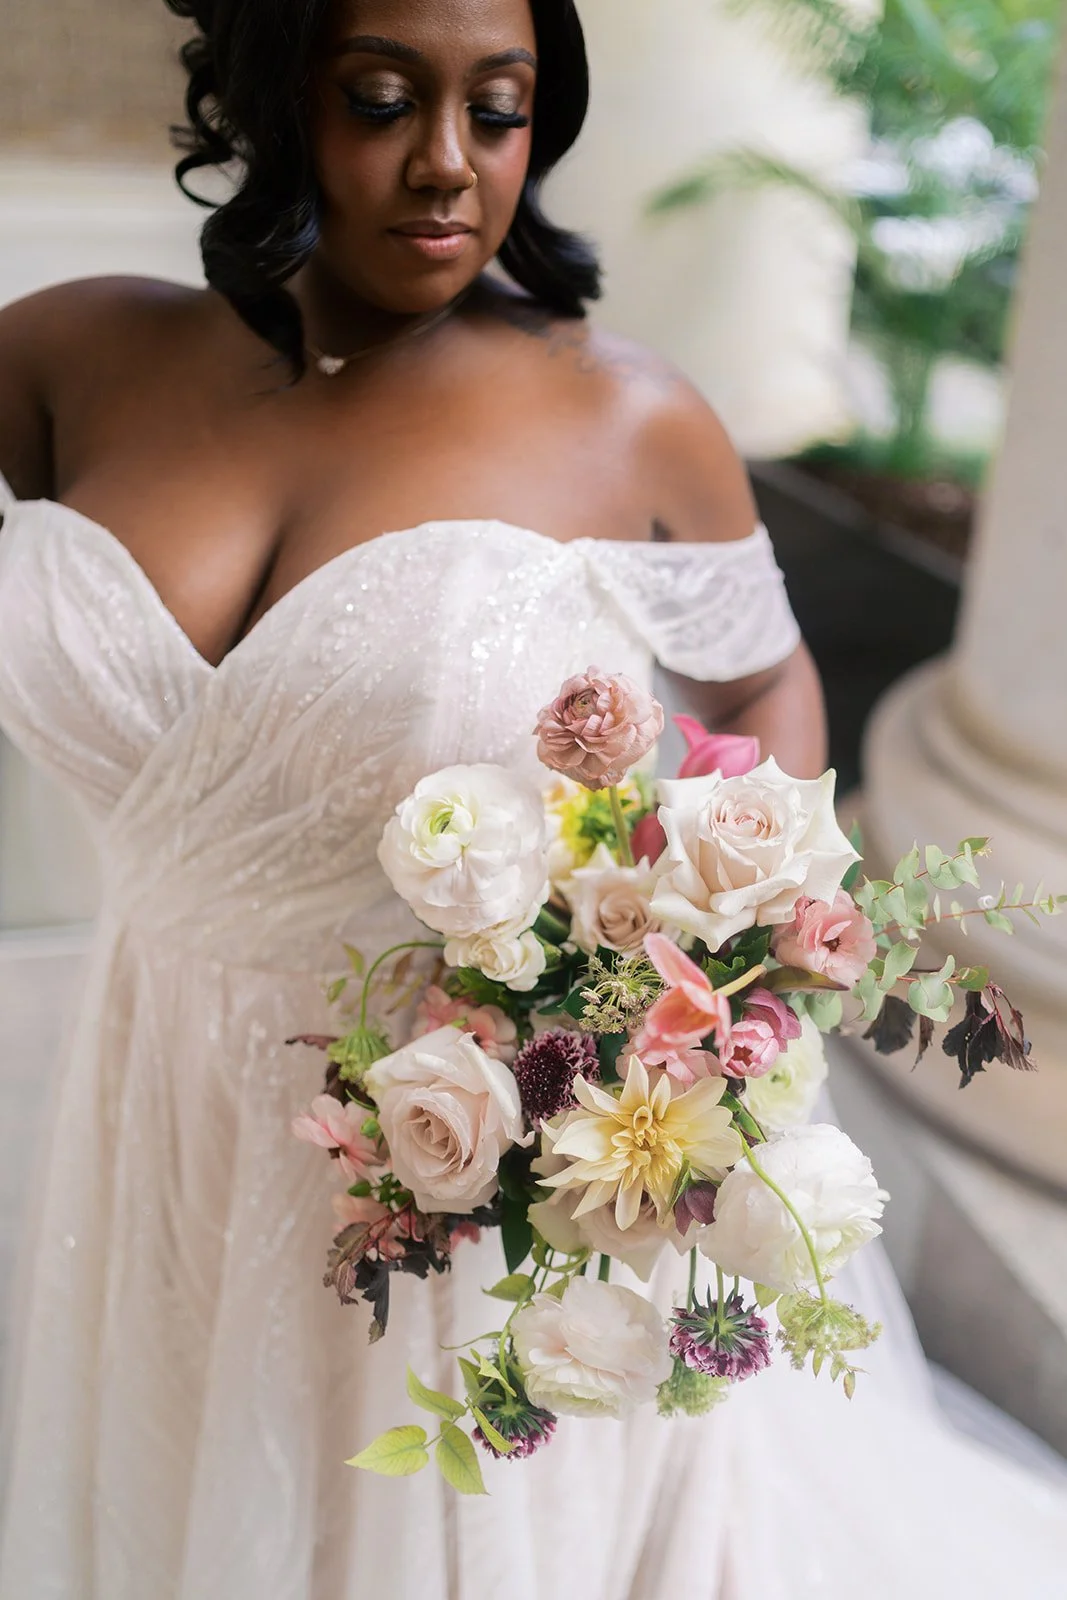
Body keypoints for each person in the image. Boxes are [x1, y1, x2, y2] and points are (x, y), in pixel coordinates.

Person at [0, 1, 1062, 1595]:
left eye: (495, 111)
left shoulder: (617, 413)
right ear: (275, 97)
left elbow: (762, 682)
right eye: (379, 101)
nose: (446, 165)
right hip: (161, 1082)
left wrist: (718, 952)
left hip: (471, 1143)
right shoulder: (73, 354)